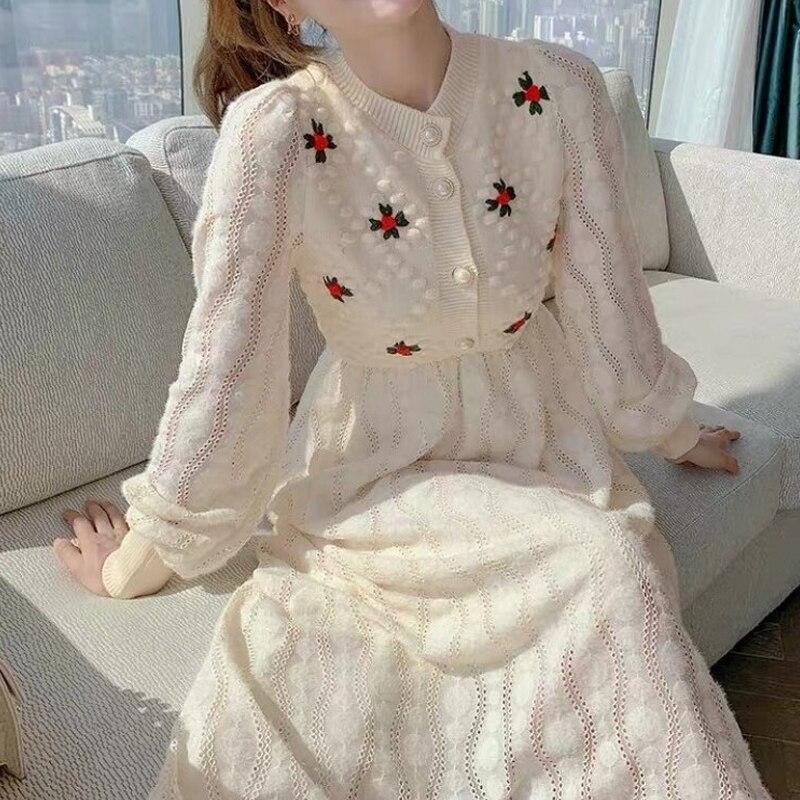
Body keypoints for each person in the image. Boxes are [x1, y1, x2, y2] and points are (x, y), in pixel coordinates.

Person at [52, 1, 772, 798]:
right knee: (589, 562)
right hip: (374, 468)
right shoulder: (278, 133)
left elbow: (606, 293)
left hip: (539, 434)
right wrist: (143, 556)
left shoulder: (557, 89)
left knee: (609, 562)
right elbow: (227, 368)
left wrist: (670, 428)